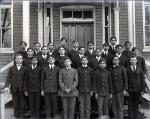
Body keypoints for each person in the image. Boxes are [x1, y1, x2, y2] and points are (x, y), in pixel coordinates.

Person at [4, 54, 27, 118]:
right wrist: (6, 86)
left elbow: (25, 80)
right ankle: (16, 116)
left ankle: (21, 116)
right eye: (17, 58)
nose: (19, 60)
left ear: (22, 60)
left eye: (20, 58)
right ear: (15, 60)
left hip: (22, 89)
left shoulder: (25, 69)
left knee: (22, 103)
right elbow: (8, 78)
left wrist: (25, 89)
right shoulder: (11, 68)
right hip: (14, 88)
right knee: (15, 103)